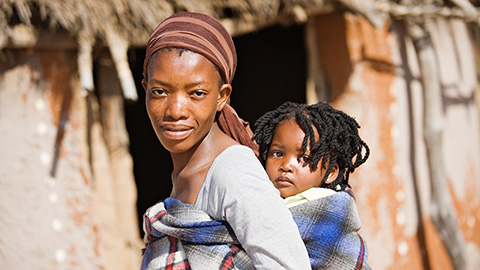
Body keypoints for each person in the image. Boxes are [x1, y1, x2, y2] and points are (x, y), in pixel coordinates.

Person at [140, 12, 311, 270]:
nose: (175, 110)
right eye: (160, 92)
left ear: (222, 96)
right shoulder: (186, 173)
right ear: (145, 90)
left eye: (196, 93)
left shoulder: (232, 171)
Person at [253, 101, 371, 269]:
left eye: (305, 158)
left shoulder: (330, 211)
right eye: (278, 153)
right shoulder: (256, 198)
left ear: (330, 173)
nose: (286, 165)